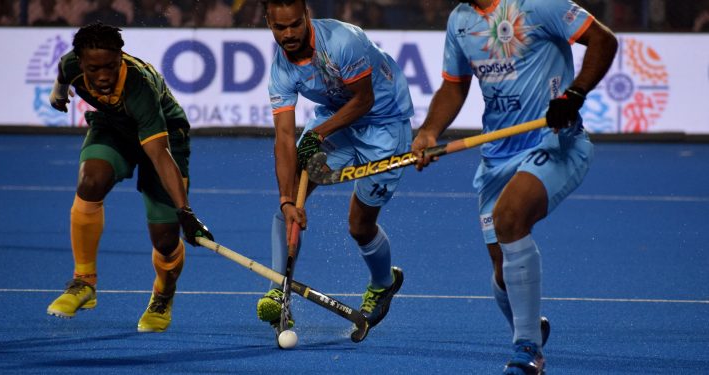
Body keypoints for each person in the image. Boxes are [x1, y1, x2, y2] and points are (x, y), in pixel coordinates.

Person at [411, 1, 617, 373]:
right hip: (496, 155)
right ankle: (531, 326)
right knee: (500, 266)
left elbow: (604, 41)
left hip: (554, 141)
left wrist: (574, 95)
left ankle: (528, 349)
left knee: (509, 218)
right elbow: (454, 86)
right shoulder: (459, 20)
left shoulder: (538, 4)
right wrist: (428, 131)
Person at [256, 0, 414, 333]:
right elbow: (284, 139)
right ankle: (278, 289)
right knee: (292, 192)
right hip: (336, 121)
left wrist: (319, 132)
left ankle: (383, 283)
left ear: (306, 17)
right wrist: (287, 201)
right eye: (279, 27)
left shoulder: (343, 41)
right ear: (269, 24)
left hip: (384, 126)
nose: (288, 34)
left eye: (295, 25)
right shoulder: (280, 71)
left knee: (359, 225)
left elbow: (364, 100)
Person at [45, 23, 213, 333]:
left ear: (120, 57)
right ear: (81, 63)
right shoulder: (72, 63)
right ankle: (84, 283)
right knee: (90, 182)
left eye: (111, 65)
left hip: (166, 136)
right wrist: (59, 93)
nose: (104, 75)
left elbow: (160, 155)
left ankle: (163, 296)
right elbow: (63, 71)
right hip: (112, 127)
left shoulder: (139, 88)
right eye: (94, 68)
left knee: (165, 240)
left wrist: (185, 212)